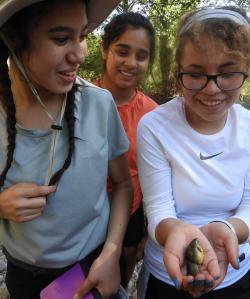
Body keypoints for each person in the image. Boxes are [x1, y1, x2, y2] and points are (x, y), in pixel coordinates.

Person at [0, 1, 134, 299]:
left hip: (91, 268)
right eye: (61, 39)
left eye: (83, 35)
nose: (80, 54)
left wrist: (111, 254)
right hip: (23, 276)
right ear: (12, 37)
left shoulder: (98, 104)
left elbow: (124, 184)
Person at [137, 5, 250, 299]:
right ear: (179, 73)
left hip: (237, 272)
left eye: (227, 74)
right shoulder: (153, 126)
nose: (212, 89)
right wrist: (178, 232)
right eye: (196, 74)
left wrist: (225, 228)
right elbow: (159, 209)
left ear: (245, 71)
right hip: (167, 274)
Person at [93, 12, 158, 287]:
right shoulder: (76, 102)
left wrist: (149, 232)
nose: (131, 63)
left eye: (141, 56)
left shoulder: (153, 115)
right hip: (83, 220)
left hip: (130, 218)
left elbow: (155, 177)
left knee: (115, 286)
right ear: (104, 49)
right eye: (122, 51)